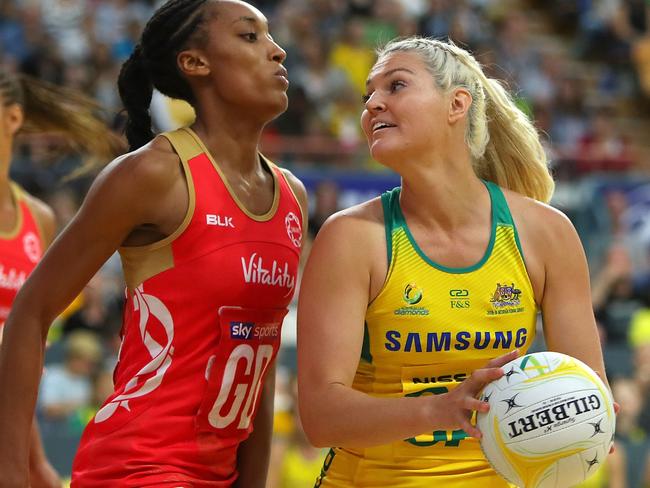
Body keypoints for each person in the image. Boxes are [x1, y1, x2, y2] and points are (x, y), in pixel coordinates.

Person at [0, 0, 307, 486]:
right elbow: (30, 312)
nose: (278, 51)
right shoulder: (153, 173)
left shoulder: (292, 197)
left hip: (218, 473)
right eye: (251, 36)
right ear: (195, 63)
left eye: (270, 37)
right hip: (137, 466)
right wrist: (13, 469)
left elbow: (259, 363)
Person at [297, 37, 611, 487]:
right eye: (368, 95)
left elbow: (589, 387)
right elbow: (321, 417)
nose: (372, 105)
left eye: (395, 85)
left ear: (456, 104)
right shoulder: (350, 238)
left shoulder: (546, 233)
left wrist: (587, 420)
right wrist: (440, 408)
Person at [0, 69, 120, 487]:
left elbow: (24, 355)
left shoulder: (39, 218)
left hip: (15, 418)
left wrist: (35, 462)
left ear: (13, 119)